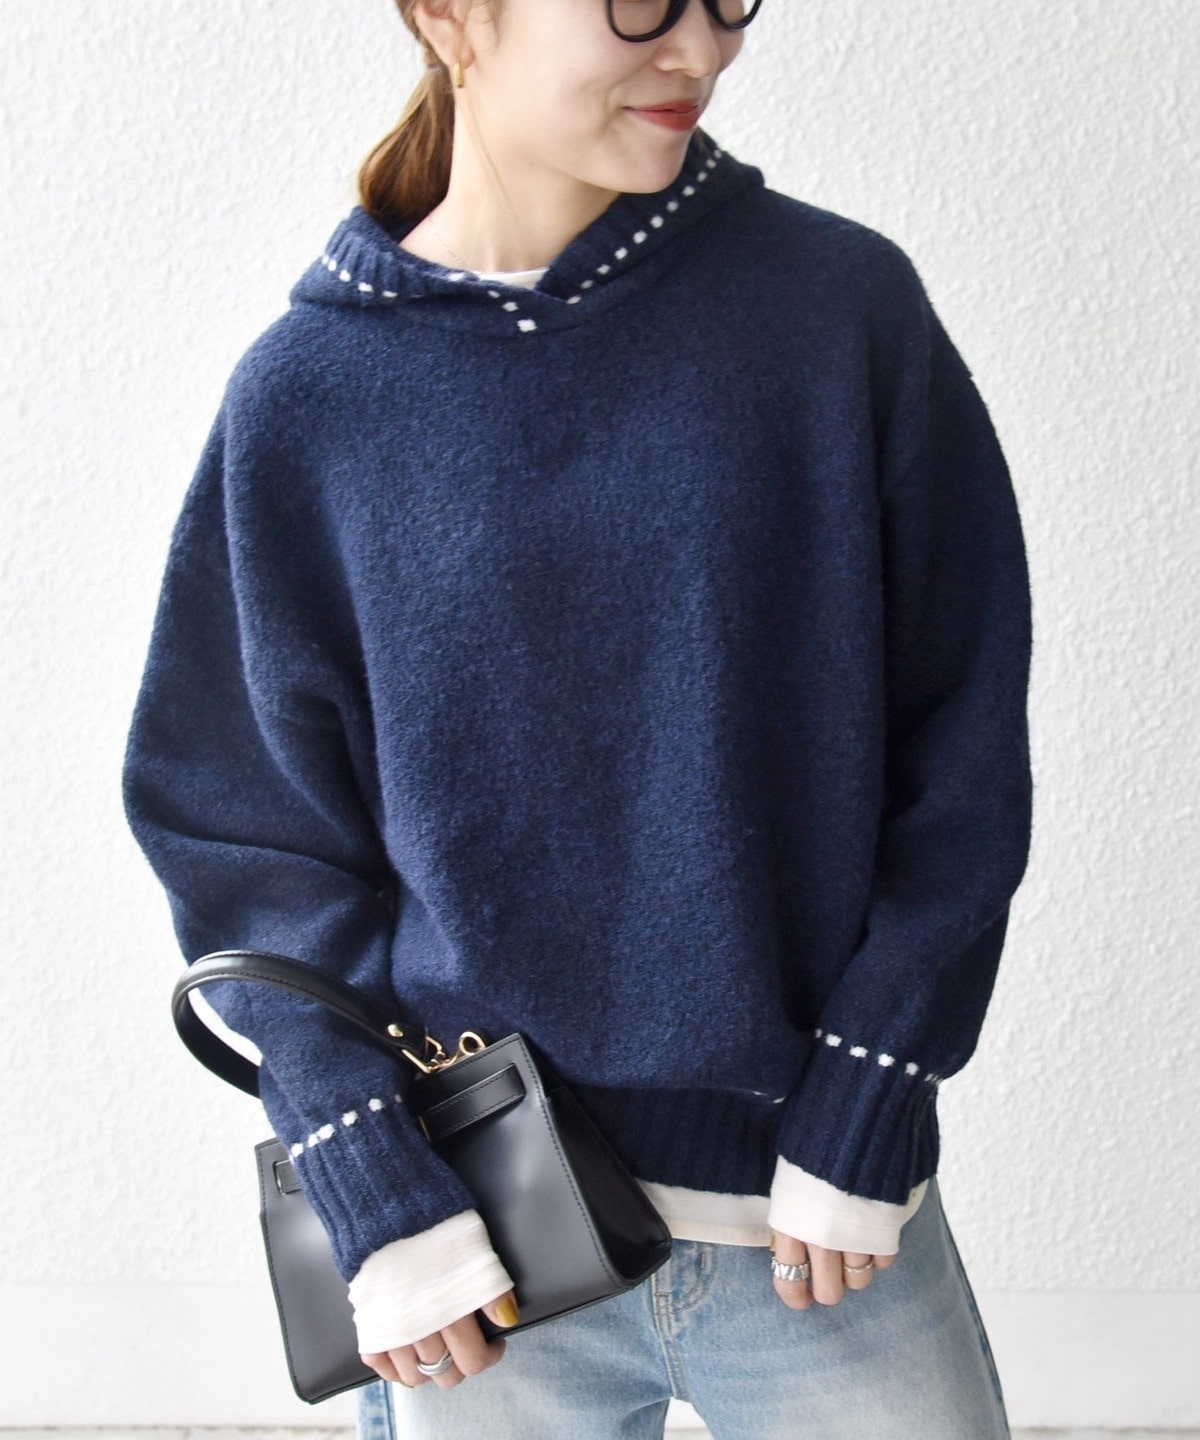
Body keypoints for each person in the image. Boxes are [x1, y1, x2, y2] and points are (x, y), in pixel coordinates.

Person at [121, 0, 1034, 1434]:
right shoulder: (310, 398)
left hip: (820, 1214)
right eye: (638, 2)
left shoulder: (837, 312)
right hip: (480, 1253)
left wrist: (881, 1074)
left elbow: (961, 741)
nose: (701, 51)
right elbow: (241, 834)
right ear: (449, 16)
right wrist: (366, 1171)